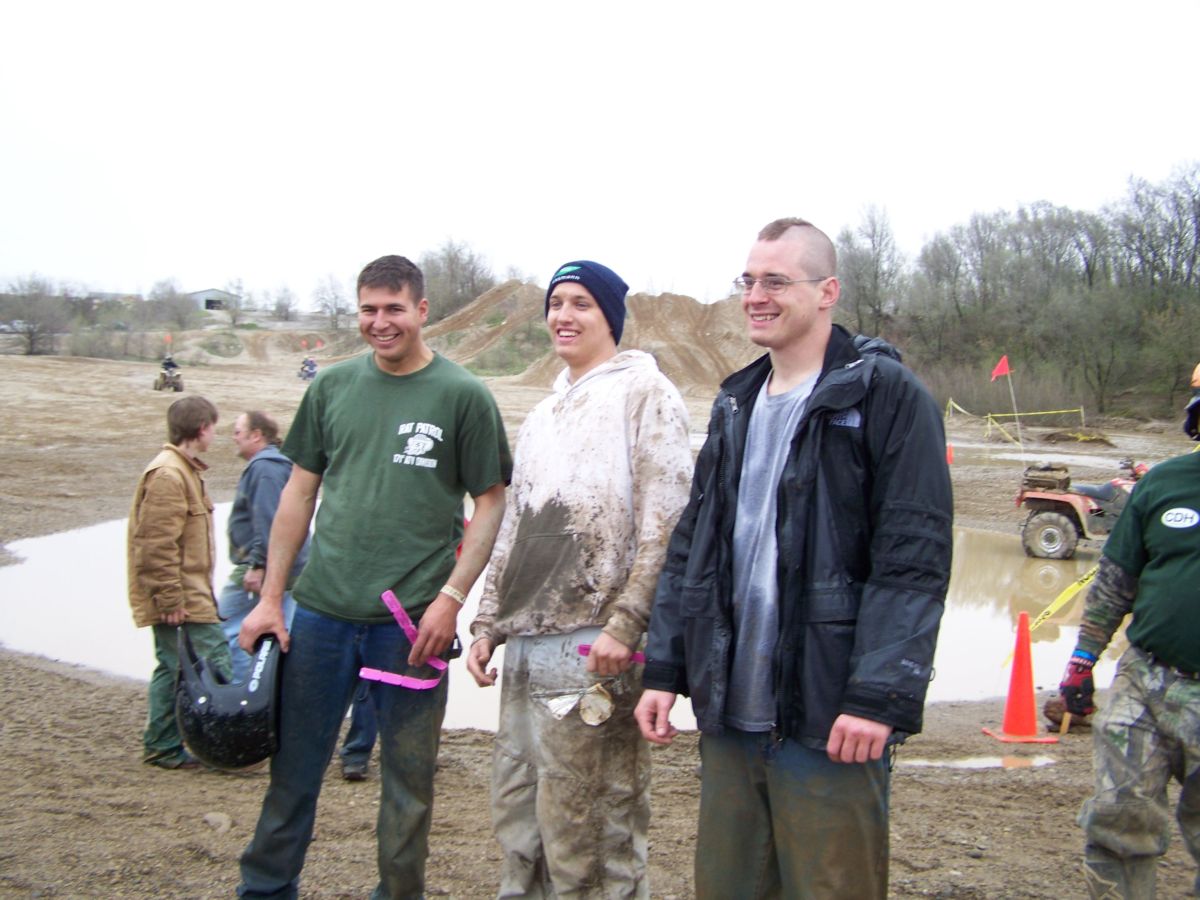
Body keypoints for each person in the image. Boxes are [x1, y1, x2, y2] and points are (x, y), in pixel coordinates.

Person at [633, 218, 954, 898]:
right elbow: (696, 544)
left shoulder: (888, 397)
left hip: (829, 718)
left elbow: (912, 558)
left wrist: (878, 695)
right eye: (748, 281)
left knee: (831, 887)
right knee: (726, 886)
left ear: (827, 291)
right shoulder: (735, 400)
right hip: (731, 715)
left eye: (776, 281)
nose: (756, 295)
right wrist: (665, 666)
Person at [236, 254, 512, 900]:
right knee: (294, 773)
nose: (379, 322)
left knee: (409, 787)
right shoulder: (331, 388)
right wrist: (271, 598)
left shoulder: (462, 395)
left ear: (422, 310)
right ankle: (267, 891)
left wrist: (452, 599)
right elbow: (298, 497)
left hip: (410, 624)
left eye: (393, 309)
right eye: (368, 309)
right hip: (322, 617)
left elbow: (491, 501)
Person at [467, 260, 693, 897]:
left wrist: (628, 623)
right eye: (555, 303)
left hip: (594, 648)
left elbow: (666, 522)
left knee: (590, 825)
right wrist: (488, 622)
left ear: (610, 318)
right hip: (528, 644)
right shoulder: (542, 416)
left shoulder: (645, 394)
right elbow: (515, 528)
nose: (563, 316)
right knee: (521, 817)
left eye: (582, 304)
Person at [1059, 430, 1200, 897]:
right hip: (1145, 678)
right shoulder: (1163, 483)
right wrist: (1082, 662)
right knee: (1119, 818)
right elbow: (1116, 581)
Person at [127, 394, 231, 770]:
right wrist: (169, 601)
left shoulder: (183, 470)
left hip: (190, 595)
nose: (216, 436)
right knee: (215, 662)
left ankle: (163, 744)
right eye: (215, 428)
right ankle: (224, 744)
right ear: (202, 428)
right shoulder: (169, 474)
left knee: (173, 667)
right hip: (182, 600)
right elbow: (155, 545)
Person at [218, 411, 308, 684]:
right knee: (279, 631)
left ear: (256, 434)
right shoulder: (274, 464)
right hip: (285, 566)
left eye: (238, 431)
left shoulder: (265, 467)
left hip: (262, 568)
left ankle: (245, 693)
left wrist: (258, 565)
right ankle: (266, 691)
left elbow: (269, 521)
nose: (234, 437)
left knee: (228, 628)